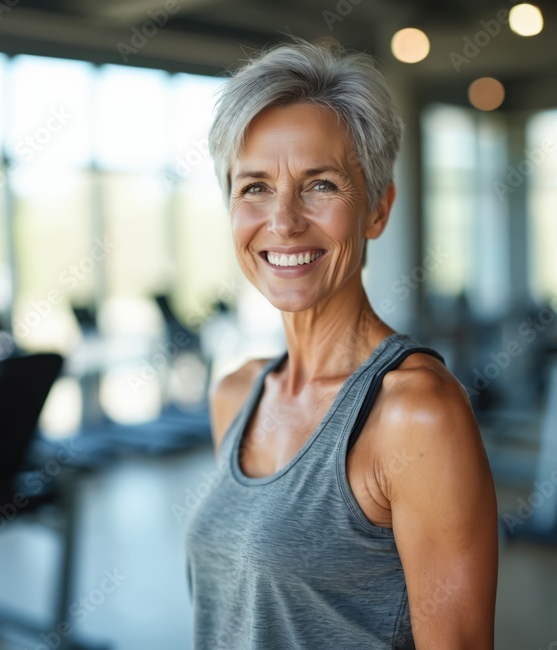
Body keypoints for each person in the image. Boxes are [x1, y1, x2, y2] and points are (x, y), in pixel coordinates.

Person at [184, 40, 498, 648]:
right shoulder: (235, 393)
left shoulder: (416, 414)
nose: (283, 220)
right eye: (254, 188)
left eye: (320, 184)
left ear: (377, 209)